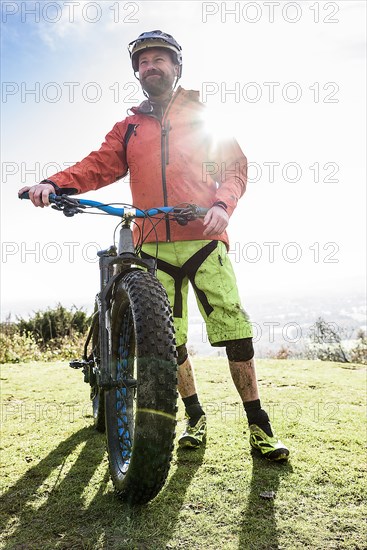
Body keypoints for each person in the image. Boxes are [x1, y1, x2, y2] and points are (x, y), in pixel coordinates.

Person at [19, 30, 289, 461]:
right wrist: (53, 183)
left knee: (235, 333)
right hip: (153, 250)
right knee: (169, 341)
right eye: (143, 62)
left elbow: (236, 168)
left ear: (177, 66)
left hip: (204, 240)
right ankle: (195, 418)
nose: (151, 67)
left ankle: (259, 426)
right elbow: (97, 165)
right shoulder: (128, 128)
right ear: (137, 73)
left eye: (159, 59)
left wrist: (223, 204)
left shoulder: (203, 117)